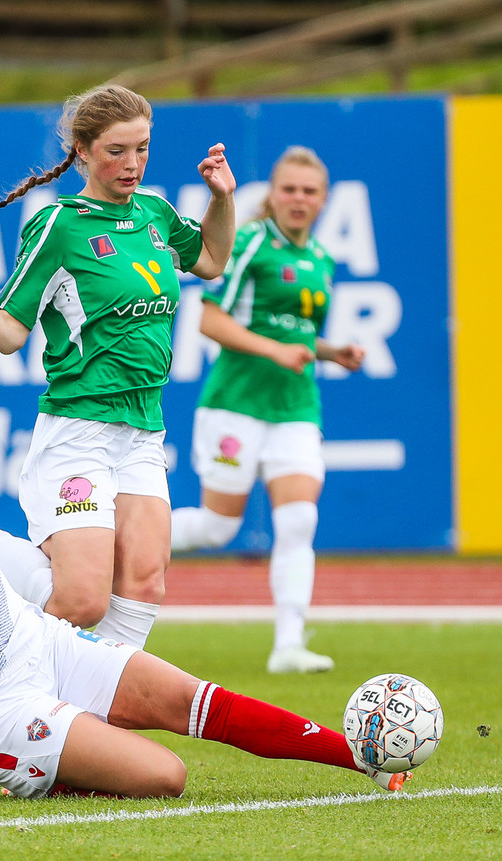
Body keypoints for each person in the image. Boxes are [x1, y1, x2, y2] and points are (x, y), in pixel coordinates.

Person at [0, 360, 410, 799]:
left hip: (45, 645)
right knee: (166, 776)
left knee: (197, 700)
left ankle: (362, 758)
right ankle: (43, 765)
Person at [0, 84, 237, 649]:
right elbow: (10, 335)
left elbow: (214, 260)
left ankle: (97, 700)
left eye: (142, 149)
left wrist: (221, 199)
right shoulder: (59, 225)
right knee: (83, 601)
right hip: (79, 430)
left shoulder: (155, 213)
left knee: (144, 581)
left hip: (143, 429)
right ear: (82, 150)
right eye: (116, 151)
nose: (132, 164)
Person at [170, 146, 366, 674]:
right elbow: (211, 320)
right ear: (273, 194)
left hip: (296, 406)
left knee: (300, 518)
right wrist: (277, 351)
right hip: (236, 403)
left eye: (310, 191)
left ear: (324, 199)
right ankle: (116, 541)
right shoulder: (251, 240)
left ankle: (289, 645)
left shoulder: (321, 258)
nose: (299, 199)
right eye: (289, 189)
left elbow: (295, 333)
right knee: (216, 528)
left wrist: (332, 352)